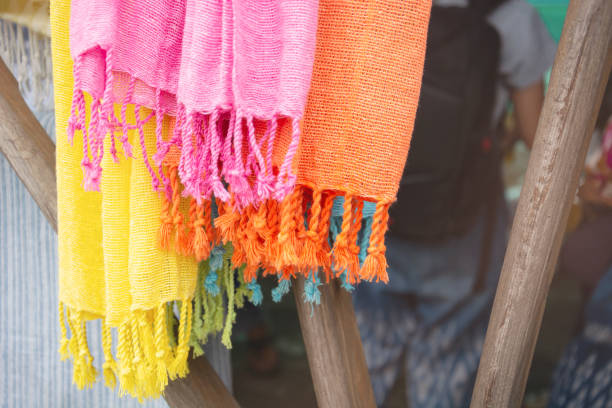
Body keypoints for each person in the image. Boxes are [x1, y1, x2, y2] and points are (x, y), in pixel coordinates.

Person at [352, 0, 556, 406]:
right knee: (444, 363)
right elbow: (542, 137)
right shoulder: (510, 16)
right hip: (463, 232)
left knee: (365, 354)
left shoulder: (373, 5)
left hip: (376, 216)